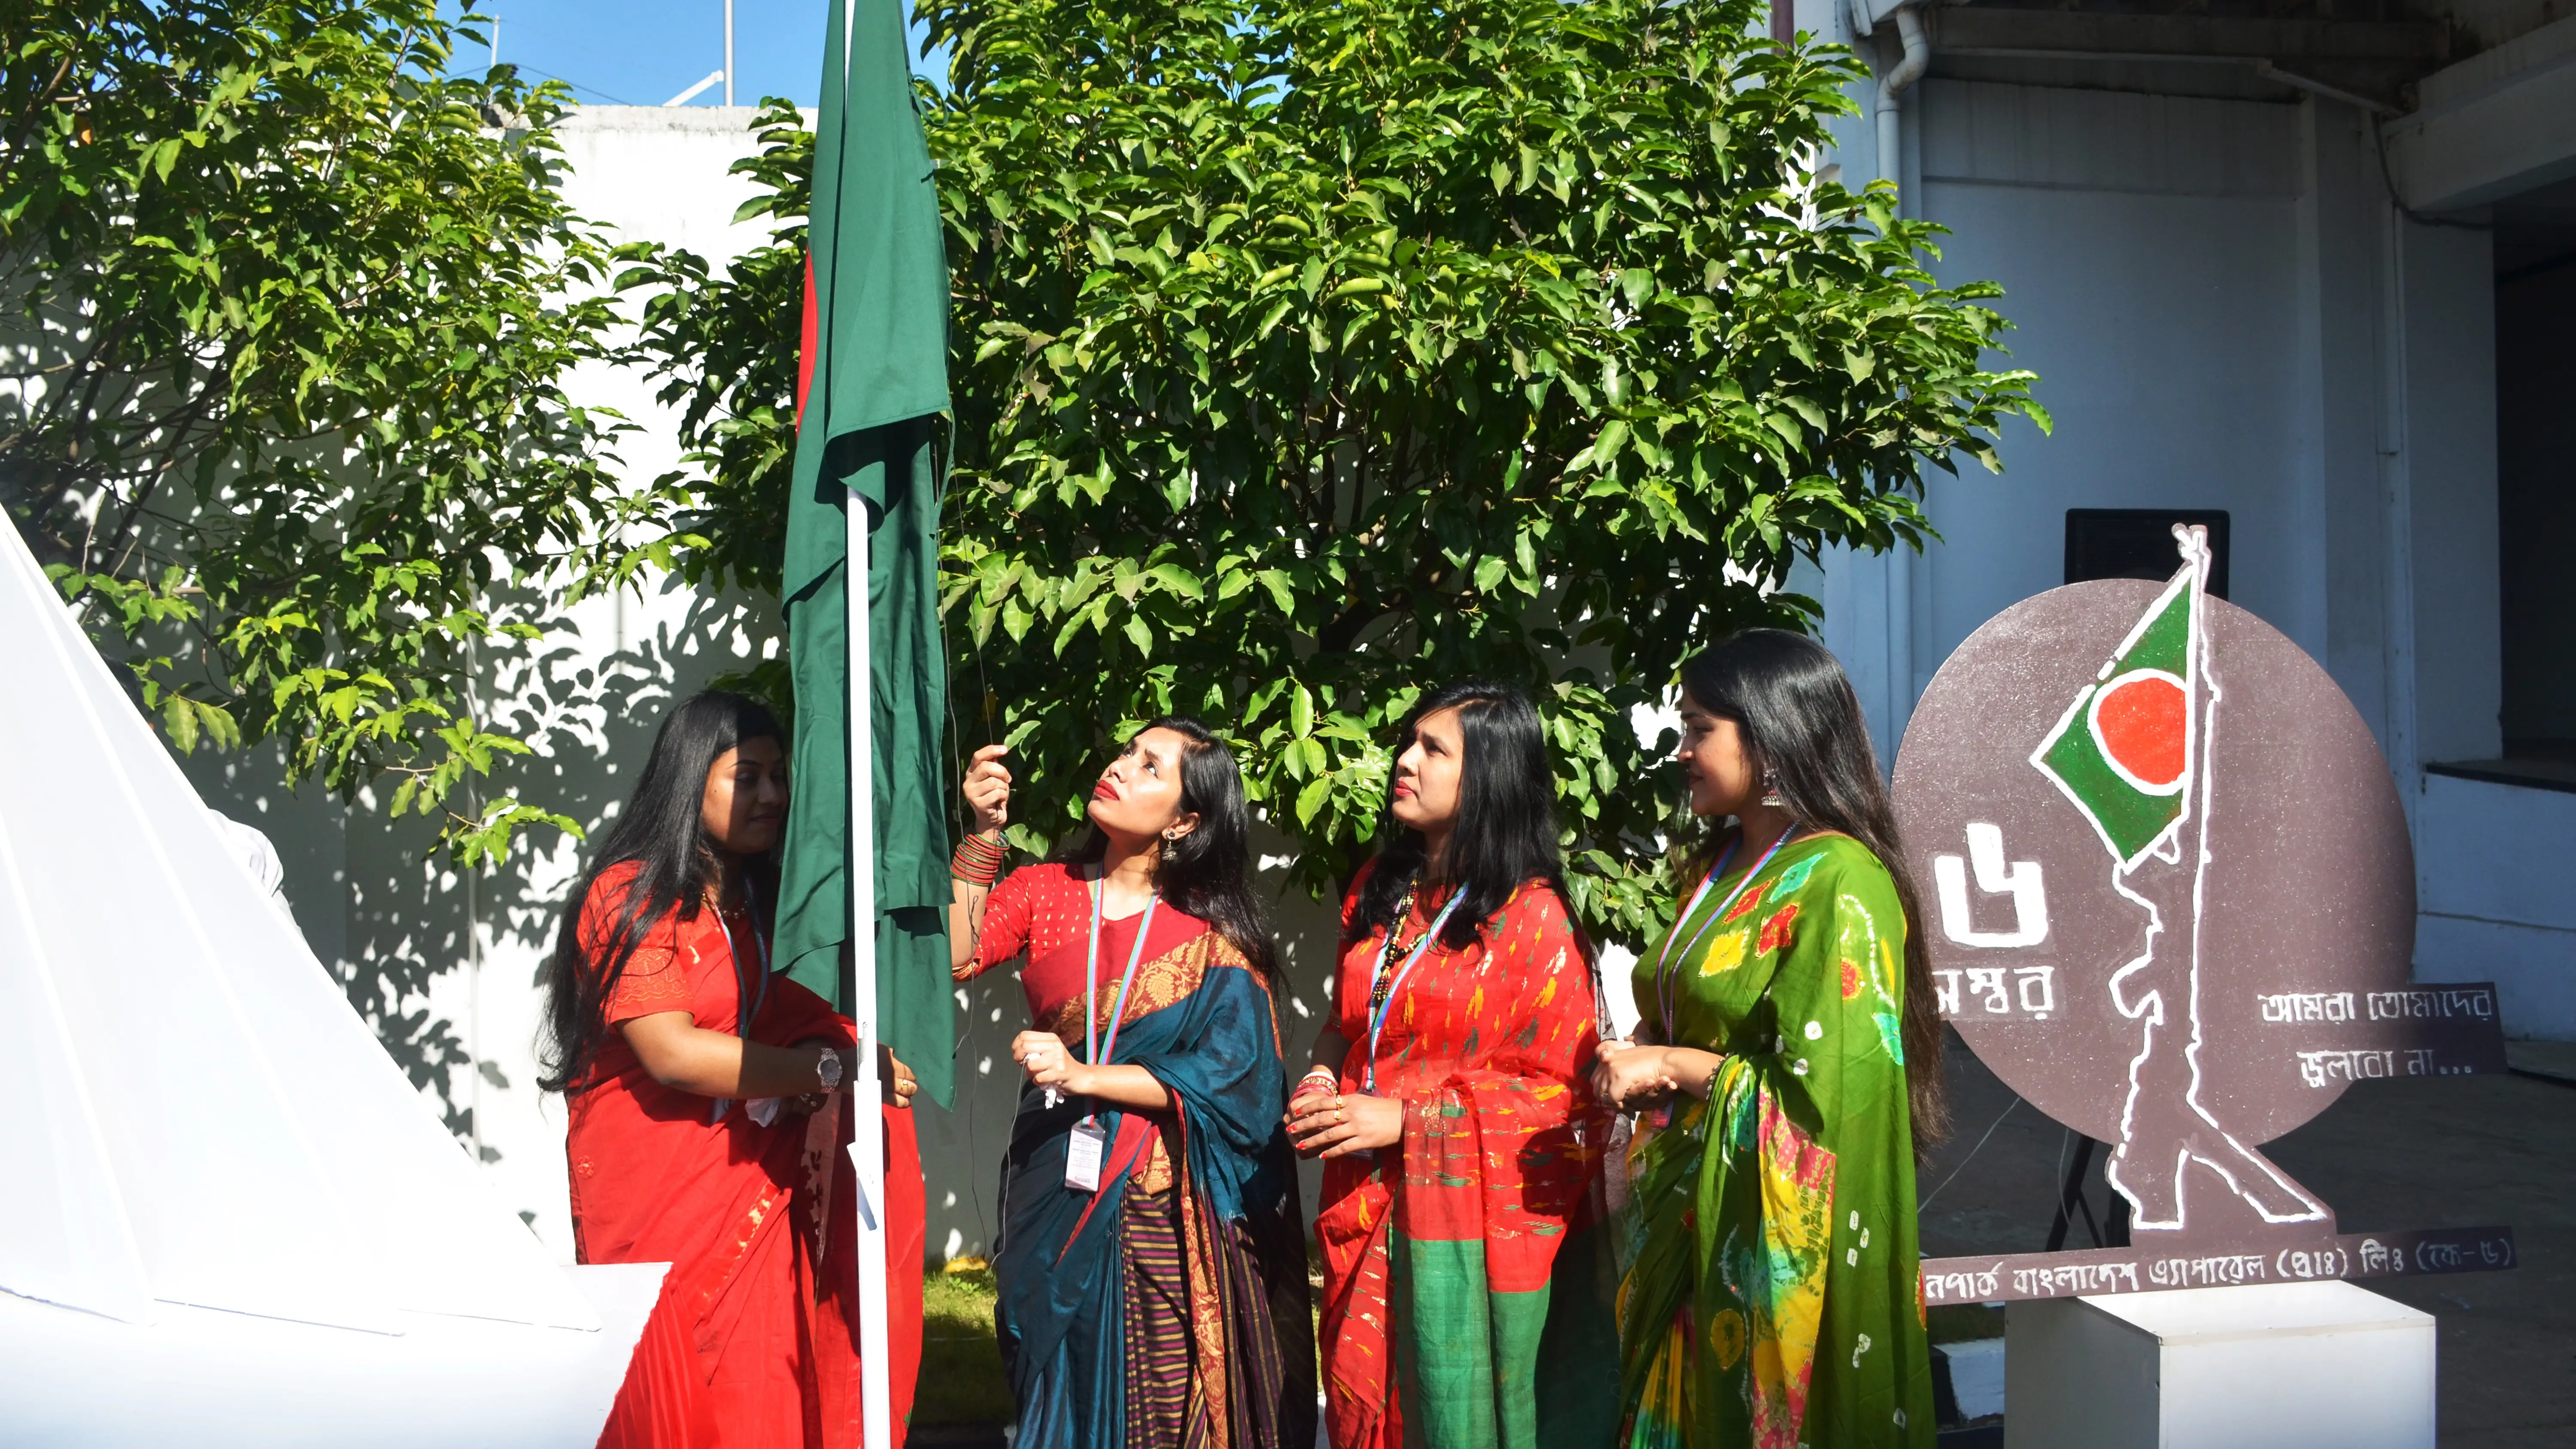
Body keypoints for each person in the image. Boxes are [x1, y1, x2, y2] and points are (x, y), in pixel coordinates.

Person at [538, 691, 924, 1449]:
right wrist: (826, 1066)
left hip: (750, 1189)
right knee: (665, 1405)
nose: (773, 794)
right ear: (691, 779)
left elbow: (771, 1013)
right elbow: (674, 1054)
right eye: (747, 776)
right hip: (655, 1201)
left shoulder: (747, 901)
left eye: (779, 775)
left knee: (761, 1400)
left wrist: (845, 1051)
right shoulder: (629, 893)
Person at [1591, 631, 1947, 1449]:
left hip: (1763, 1240)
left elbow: (1824, 1105)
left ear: (1773, 732)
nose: (1680, 752)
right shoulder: (1715, 865)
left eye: (1698, 730)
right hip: (1680, 1214)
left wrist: (1674, 1065)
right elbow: (1699, 1008)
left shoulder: (1841, 880)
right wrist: (1641, 1047)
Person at [948, 719, 1316, 1449]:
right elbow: (956, 955)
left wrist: (1087, 1074)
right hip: (1055, 1175)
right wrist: (983, 834)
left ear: (1185, 820)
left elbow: (1234, 1086)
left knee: (1161, 1395)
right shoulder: (1045, 890)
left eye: (1149, 767)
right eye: (1125, 752)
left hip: (1160, 1200)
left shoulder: (1213, 936)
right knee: (1056, 1372)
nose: (1120, 768)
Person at [1285, 682, 1618, 1449]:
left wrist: (1408, 1118)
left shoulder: (1532, 918)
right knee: (1364, 1404)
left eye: (1434, 750)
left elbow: (1563, 1097)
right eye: (1410, 742)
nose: (1405, 761)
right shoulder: (1381, 887)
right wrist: (1321, 1077)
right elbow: (1348, 1026)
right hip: (1359, 1194)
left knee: (1435, 1414)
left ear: (1492, 777)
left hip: (1459, 1221)